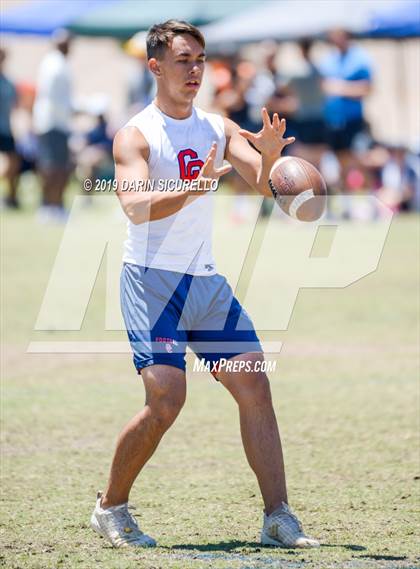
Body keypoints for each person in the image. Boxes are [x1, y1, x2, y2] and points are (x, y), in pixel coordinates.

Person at [90, 20, 320, 550]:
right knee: (166, 401)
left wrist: (267, 155)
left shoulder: (216, 127)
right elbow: (134, 205)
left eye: (199, 60)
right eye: (183, 60)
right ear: (155, 66)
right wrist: (190, 189)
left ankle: (278, 517)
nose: (195, 70)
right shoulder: (136, 134)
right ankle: (111, 507)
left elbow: (262, 186)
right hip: (151, 281)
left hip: (204, 281)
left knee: (255, 385)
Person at [320, 29, 373, 195]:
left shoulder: (360, 59)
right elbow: (322, 86)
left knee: (358, 160)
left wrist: (340, 88)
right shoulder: (328, 61)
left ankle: (370, 196)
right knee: (340, 162)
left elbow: (367, 88)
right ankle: (347, 200)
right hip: (333, 121)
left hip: (353, 121)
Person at [33, 29, 73, 222]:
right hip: (52, 122)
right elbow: (51, 98)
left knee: (58, 166)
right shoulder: (54, 64)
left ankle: (55, 205)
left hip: (58, 122)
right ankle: (48, 206)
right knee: (52, 167)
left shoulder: (58, 63)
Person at [0, 48, 20, 209]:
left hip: (5, 129)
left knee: (14, 162)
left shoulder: (7, 82)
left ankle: (11, 198)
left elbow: (15, 104)